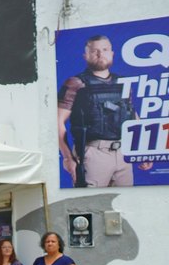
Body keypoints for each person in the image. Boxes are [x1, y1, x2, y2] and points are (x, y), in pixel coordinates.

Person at [57, 35, 152, 187]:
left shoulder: (122, 82)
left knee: (126, 205)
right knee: (91, 205)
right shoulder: (76, 83)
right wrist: (67, 157)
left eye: (105, 49)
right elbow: (57, 122)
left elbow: (133, 116)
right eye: (94, 51)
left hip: (124, 154)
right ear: (85, 56)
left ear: (112, 53)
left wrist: (142, 151)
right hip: (93, 153)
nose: (100, 54)